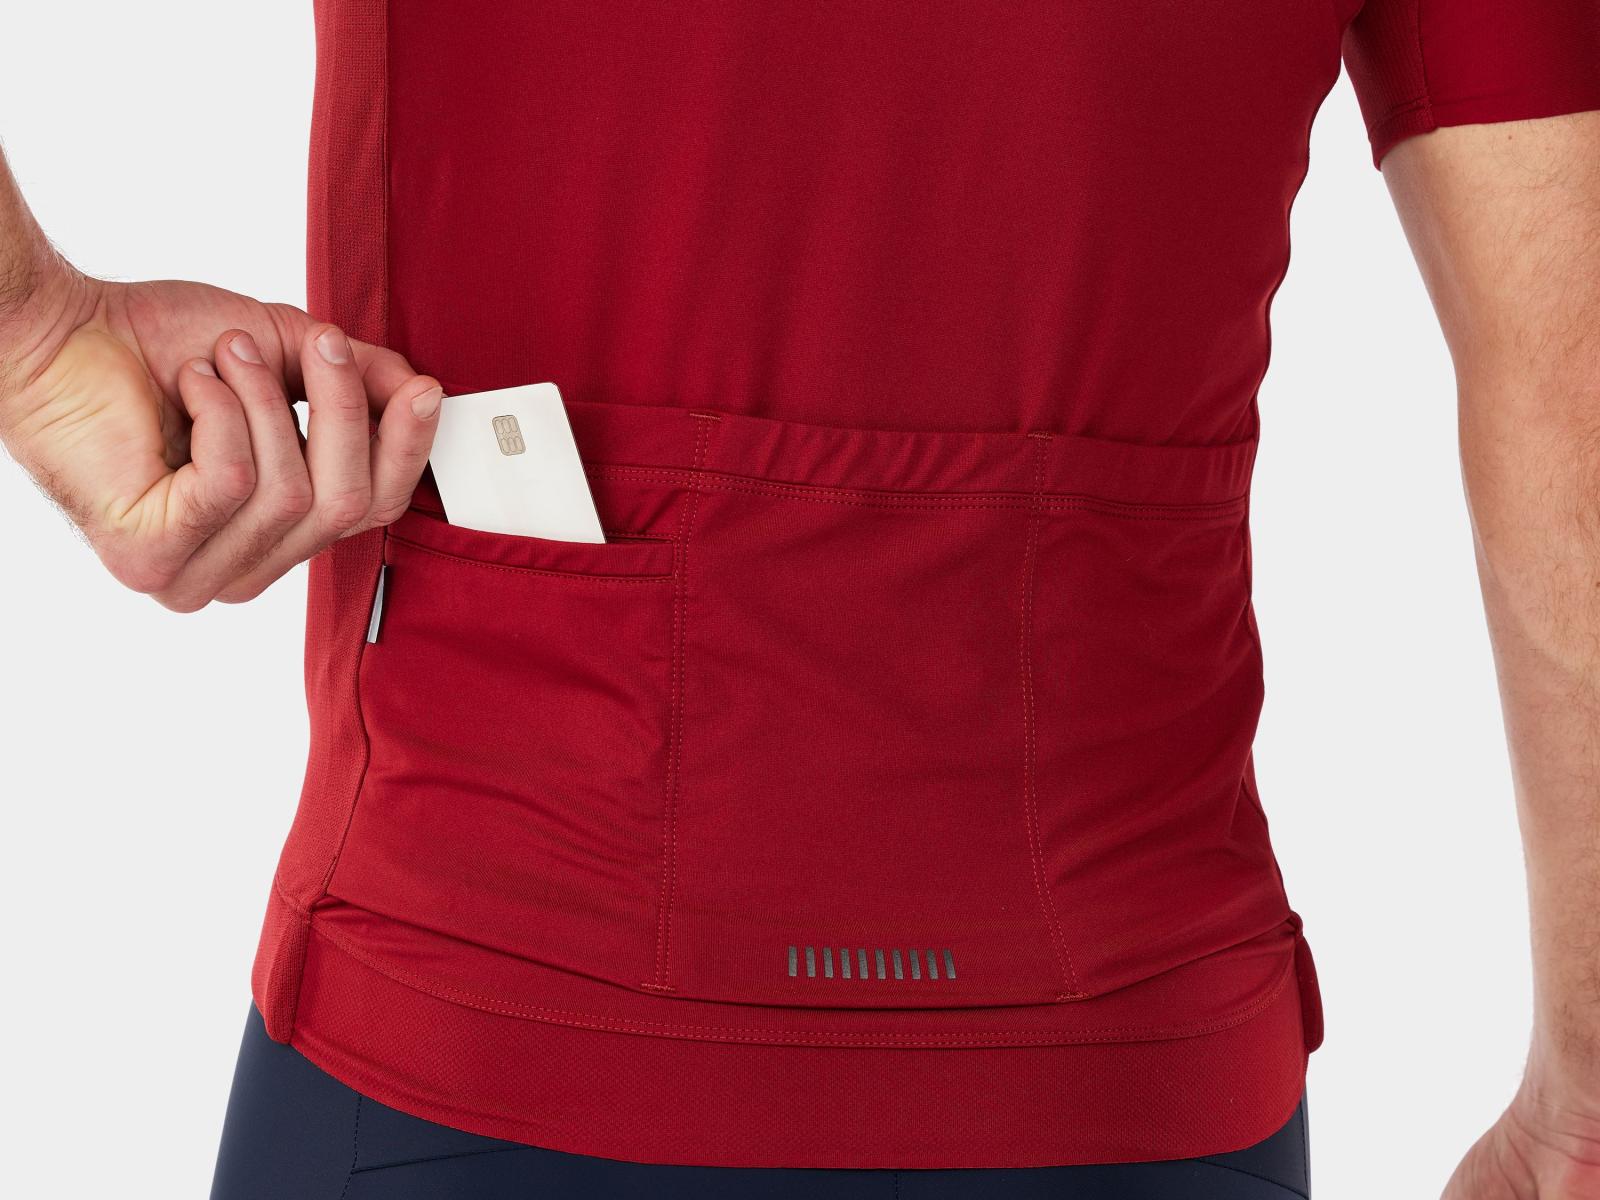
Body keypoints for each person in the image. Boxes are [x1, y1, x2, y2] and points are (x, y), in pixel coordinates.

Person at [2, 2, 1597, 1196]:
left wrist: (38, 347)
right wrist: (1581, 1106)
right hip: (1124, 1056)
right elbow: (1571, 371)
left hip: (482, 1012)